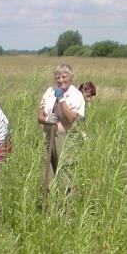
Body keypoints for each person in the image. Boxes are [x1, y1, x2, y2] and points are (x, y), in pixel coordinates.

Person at [37, 64, 86, 196]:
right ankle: (47, 206)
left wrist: (61, 99)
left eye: (64, 77)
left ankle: (67, 210)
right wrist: (48, 120)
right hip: (48, 136)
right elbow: (40, 116)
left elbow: (70, 118)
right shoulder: (49, 91)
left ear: (71, 77)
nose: (60, 80)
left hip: (65, 137)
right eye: (57, 77)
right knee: (47, 173)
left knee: (65, 172)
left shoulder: (76, 95)